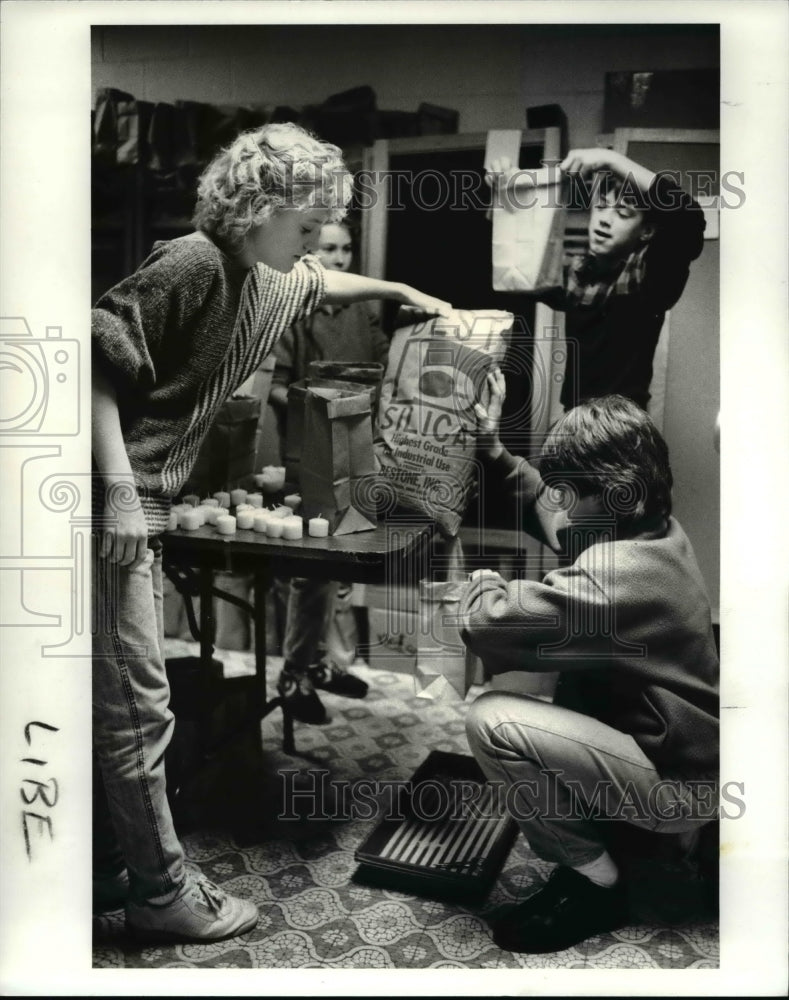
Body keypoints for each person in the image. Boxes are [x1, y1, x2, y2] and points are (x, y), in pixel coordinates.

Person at [91, 121, 451, 943]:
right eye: (308, 222)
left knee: (125, 700)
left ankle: (113, 860)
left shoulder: (267, 274)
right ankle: (161, 892)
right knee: (138, 710)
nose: (319, 237)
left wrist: (403, 294)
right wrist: (117, 493)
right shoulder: (191, 263)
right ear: (259, 209)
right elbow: (91, 367)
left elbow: (327, 284)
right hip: (102, 499)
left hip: (138, 499)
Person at [460, 371, 719, 953]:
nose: (558, 505)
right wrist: (494, 450)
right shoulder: (654, 533)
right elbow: (555, 519)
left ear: (612, 490)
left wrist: (481, 582)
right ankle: (631, 840)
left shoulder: (615, 577)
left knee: (493, 719)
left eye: (568, 491)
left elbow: (487, 624)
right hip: (691, 762)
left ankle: (595, 884)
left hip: (678, 788)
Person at [268, 219, 390, 724]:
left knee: (341, 568)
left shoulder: (365, 310)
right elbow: (276, 385)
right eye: (327, 250)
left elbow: (385, 374)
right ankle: (294, 673)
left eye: (344, 250)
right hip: (311, 451)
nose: (339, 259)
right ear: (308, 256)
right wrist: (320, 408)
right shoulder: (297, 309)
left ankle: (321, 665)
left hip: (358, 452)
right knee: (312, 571)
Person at [487, 148, 706, 410]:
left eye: (622, 213)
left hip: (622, 421)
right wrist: (504, 193)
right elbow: (513, 263)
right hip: (575, 418)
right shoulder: (575, 276)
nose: (604, 220)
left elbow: (687, 218)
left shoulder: (647, 282)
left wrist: (607, 159)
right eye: (601, 207)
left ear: (646, 232)